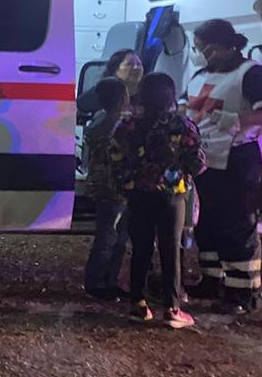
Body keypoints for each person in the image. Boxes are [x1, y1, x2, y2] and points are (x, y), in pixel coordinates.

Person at [183, 19, 262, 315]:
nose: (202, 54)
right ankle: (212, 280)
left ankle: (242, 291)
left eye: (206, 49)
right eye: (199, 49)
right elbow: (187, 108)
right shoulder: (200, 75)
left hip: (237, 158)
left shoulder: (252, 73)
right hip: (204, 160)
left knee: (237, 225)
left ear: (226, 46)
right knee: (207, 223)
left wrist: (239, 119)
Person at [110, 72, 205, 328]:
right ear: (170, 96)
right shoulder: (182, 126)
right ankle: (172, 309)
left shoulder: (127, 125)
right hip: (171, 195)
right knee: (171, 248)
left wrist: (126, 181)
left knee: (140, 247)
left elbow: (115, 157)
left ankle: (138, 305)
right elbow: (197, 162)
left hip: (137, 193)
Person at [83, 77, 131, 300]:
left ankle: (104, 280)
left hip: (100, 185)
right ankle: (100, 281)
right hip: (117, 187)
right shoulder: (121, 123)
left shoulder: (97, 120)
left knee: (107, 232)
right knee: (112, 235)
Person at [78, 49, 145, 114]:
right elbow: (79, 105)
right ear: (115, 69)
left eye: (139, 64)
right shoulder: (104, 91)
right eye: (130, 64)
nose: (136, 67)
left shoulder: (147, 93)